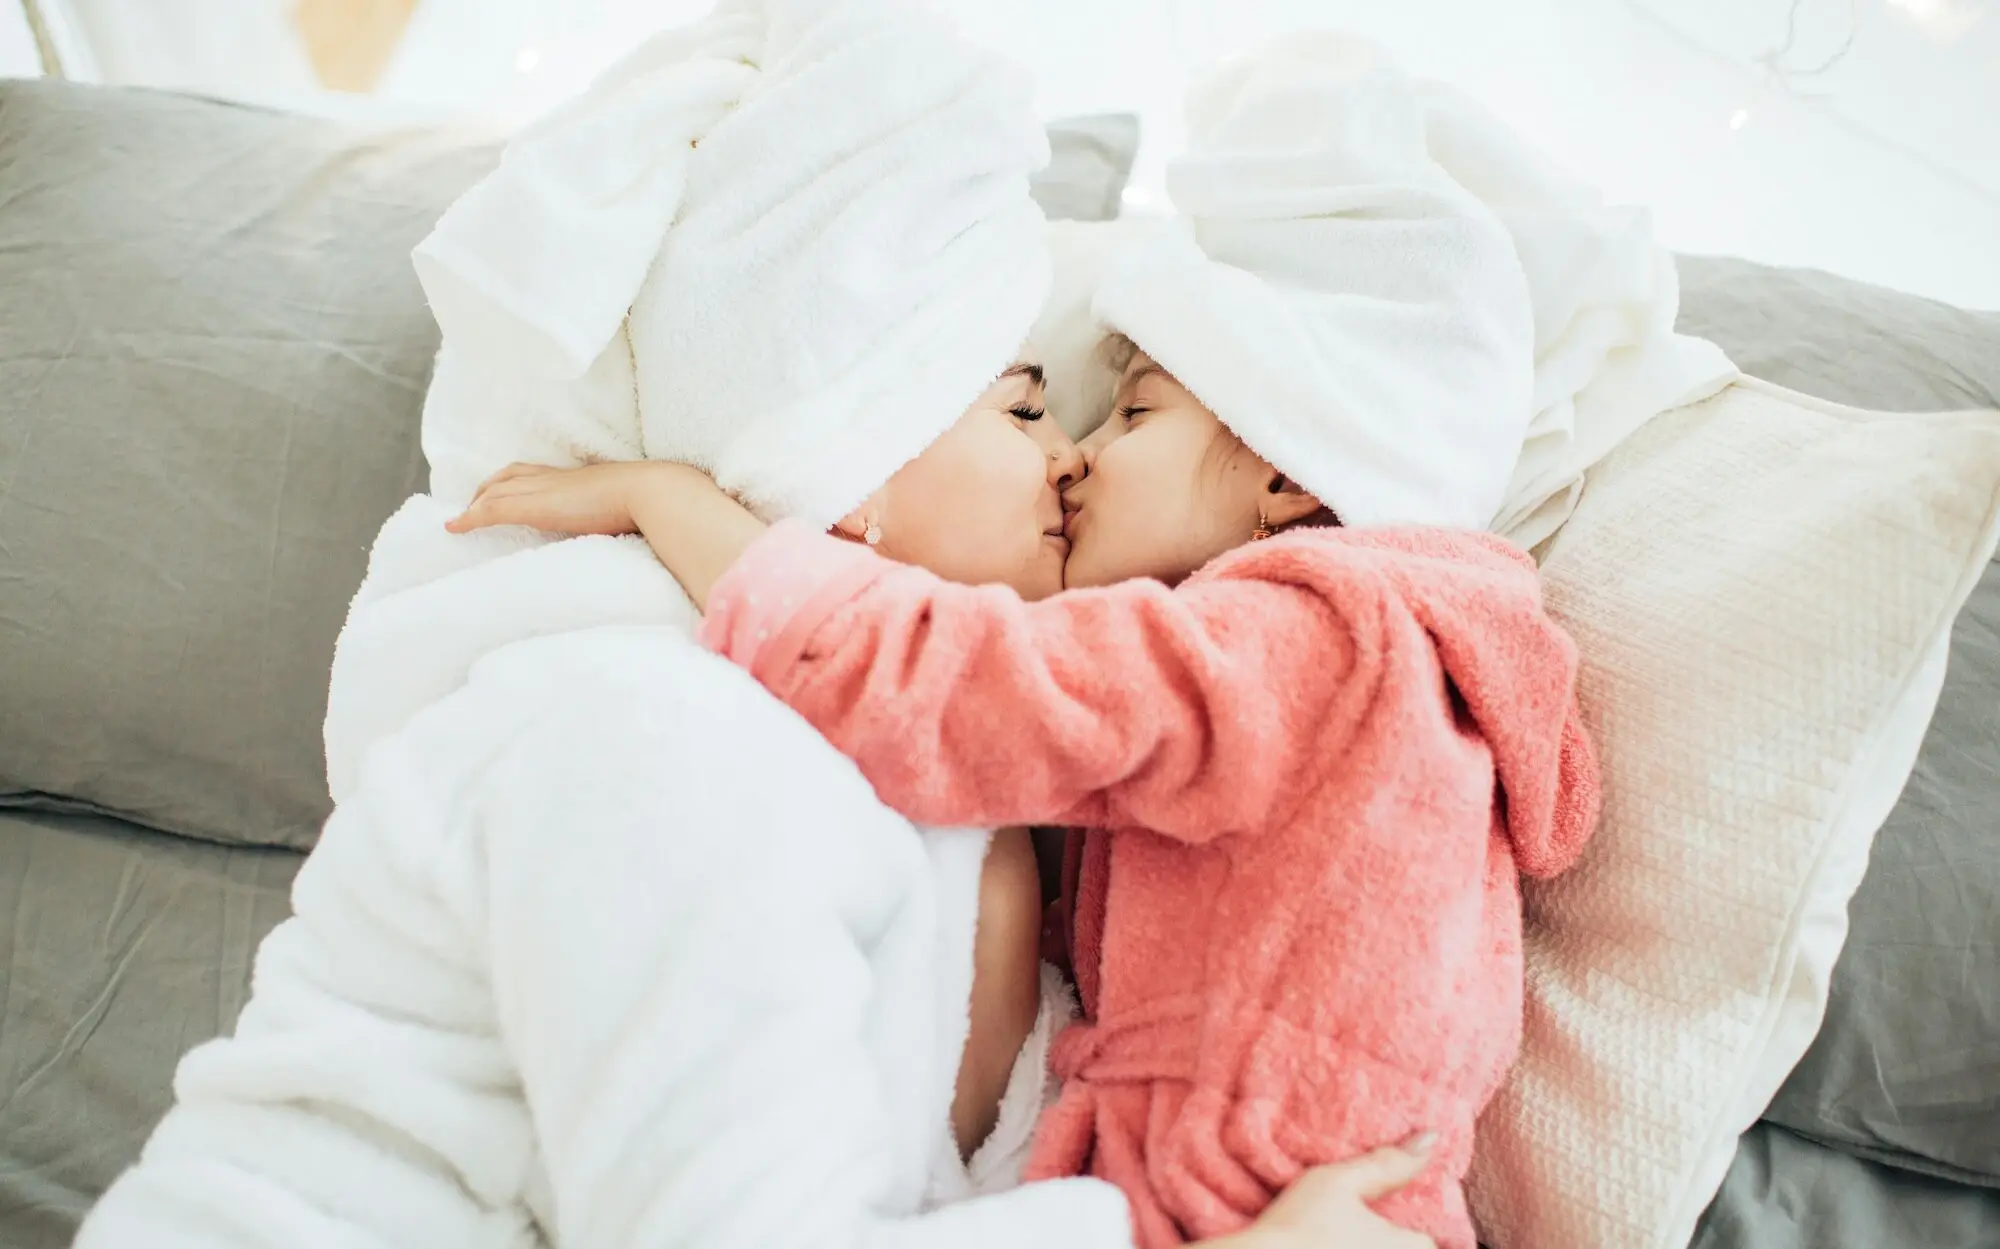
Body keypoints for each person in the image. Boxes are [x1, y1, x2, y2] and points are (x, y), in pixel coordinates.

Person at [444, 31, 1606, 1249]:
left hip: (1272, 1201)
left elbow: (965, 692)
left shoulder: (1313, 640)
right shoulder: (1380, 670)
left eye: (1135, 411)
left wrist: (674, 503)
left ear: (1284, 478)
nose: (1083, 453)